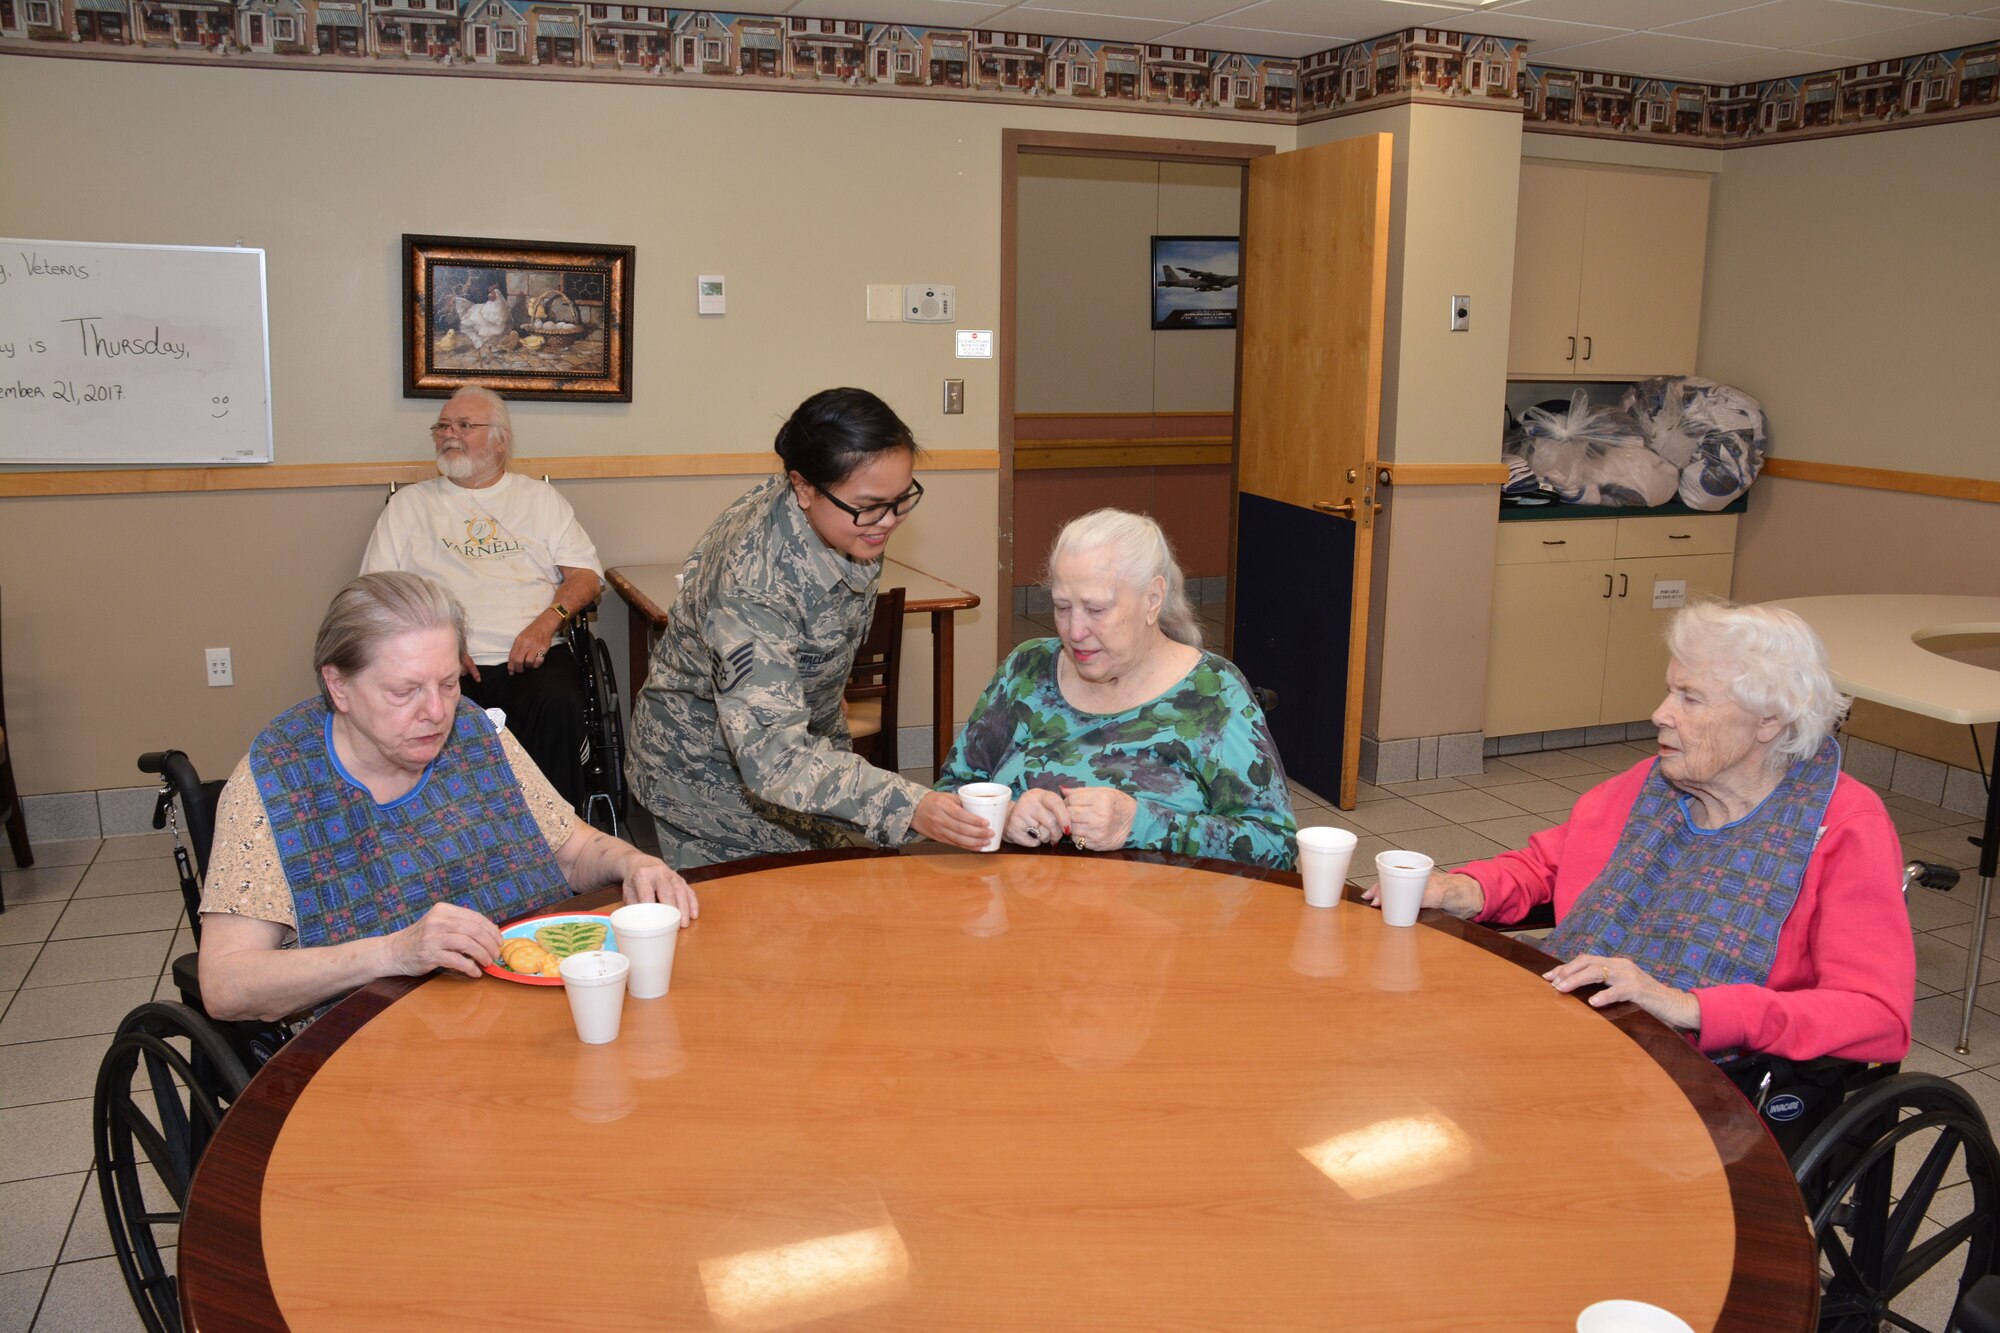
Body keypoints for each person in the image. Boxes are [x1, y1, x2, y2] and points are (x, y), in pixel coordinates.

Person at [1369, 600, 1911, 1064]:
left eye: (1690, 698)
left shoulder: (1843, 826)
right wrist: (1463, 888)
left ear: (1768, 720)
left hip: (1713, 1080)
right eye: (1669, 691)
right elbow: (1550, 866)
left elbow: (1876, 1015)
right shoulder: (1656, 782)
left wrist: (1688, 1005)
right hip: (1575, 1025)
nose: (1660, 713)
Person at [198, 573, 696, 1023]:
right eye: (404, 691)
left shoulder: (475, 733)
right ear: (338, 686)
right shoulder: (279, 779)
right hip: (368, 1043)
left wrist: (634, 862)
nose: (436, 712)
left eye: (448, 683)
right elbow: (225, 985)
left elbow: (573, 850)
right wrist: (394, 952)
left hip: (509, 1015)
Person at [626, 387, 992, 868]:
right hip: (709, 779)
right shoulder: (752, 585)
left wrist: (820, 685)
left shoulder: (841, 519)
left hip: (803, 750)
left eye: (901, 499)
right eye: (870, 505)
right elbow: (775, 760)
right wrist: (912, 805)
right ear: (803, 488)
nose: (887, 521)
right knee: (754, 923)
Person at [938, 509, 1297, 869]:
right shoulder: (1026, 669)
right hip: (1021, 912)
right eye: (1062, 607)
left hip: (1158, 920)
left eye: (1096, 609)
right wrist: (1007, 814)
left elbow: (1275, 844)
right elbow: (951, 791)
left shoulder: (1213, 693)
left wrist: (1138, 822)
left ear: (1153, 598)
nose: (1074, 631)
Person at [360, 386, 602, 809]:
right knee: (427, 710)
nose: (448, 434)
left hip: (536, 654)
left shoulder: (539, 499)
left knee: (559, 700)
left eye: (464, 425)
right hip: (440, 663)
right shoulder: (408, 506)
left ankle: (560, 839)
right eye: (442, 426)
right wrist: (439, 647)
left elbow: (585, 576)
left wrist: (546, 623)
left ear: (501, 440)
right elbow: (376, 595)